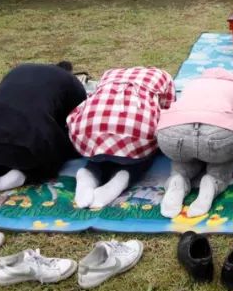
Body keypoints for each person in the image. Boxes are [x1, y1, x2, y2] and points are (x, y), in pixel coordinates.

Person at [0, 61, 86, 202]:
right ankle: (24, 174)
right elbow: (78, 121)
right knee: (62, 146)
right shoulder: (72, 82)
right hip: (28, 146)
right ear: (70, 72)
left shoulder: (19, 69)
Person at [67, 66, 175, 210]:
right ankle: (125, 176)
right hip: (134, 137)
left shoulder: (109, 73)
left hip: (88, 133)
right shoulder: (164, 77)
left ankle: (89, 171)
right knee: (143, 151)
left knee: (101, 151)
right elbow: (169, 110)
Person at [156, 68, 233, 218]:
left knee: (182, 158)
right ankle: (213, 181)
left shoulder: (192, 83)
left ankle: (178, 180)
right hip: (217, 134)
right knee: (223, 161)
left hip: (172, 132)